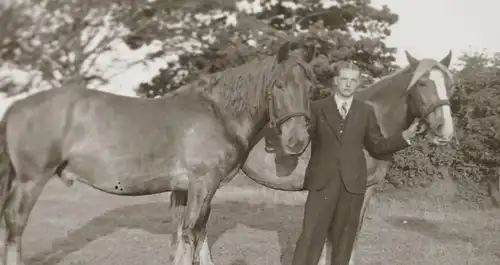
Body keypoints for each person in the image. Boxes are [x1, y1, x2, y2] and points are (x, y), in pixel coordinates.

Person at [291, 61, 420, 265]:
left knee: (344, 239)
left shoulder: (366, 111)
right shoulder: (316, 108)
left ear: (358, 84)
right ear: (336, 82)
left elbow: (377, 146)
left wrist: (404, 137)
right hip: (322, 183)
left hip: (353, 185)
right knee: (310, 237)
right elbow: (301, 140)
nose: (348, 84)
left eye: (353, 80)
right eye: (344, 79)